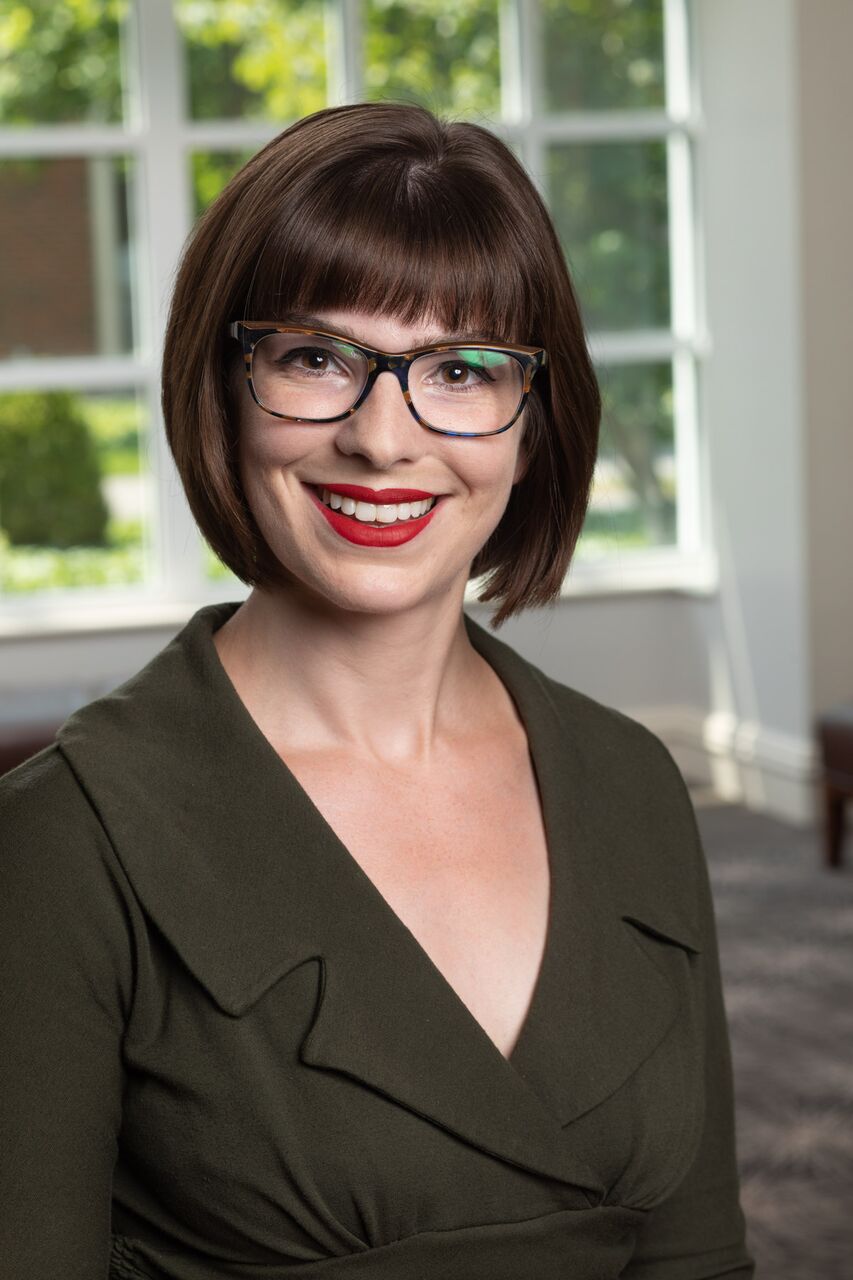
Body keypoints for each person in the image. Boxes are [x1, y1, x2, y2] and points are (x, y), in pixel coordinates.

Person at [0, 101, 755, 1278]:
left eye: (461, 367)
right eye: (316, 358)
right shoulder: (66, 841)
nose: (384, 437)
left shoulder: (630, 779)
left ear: (533, 420)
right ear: (224, 385)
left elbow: (699, 1254)